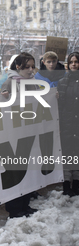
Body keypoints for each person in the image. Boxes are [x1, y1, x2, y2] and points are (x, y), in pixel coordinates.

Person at [0, 52, 39, 218]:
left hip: (29, 132)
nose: (30, 70)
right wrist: (3, 98)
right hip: (14, 134)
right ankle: (15, 209)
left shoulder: (34, 83)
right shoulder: (10, 82)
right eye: (27, 67)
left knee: (28, 170)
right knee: (16, 171)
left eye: (32, 66)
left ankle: (25, 203)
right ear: (18, 67)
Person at [57, 51, 79, 196]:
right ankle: (66, 183)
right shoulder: (62, 82)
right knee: (66, 153)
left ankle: (76, 183)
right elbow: (60, 106)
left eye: (76, 61)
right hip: (67, 123)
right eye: (71, 62)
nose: (74, 64)